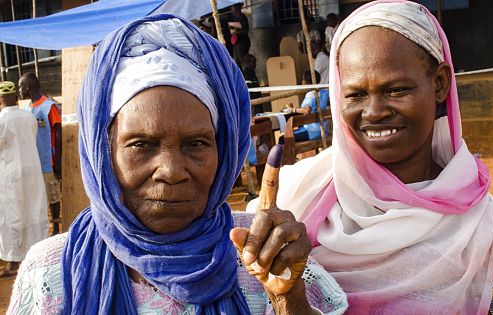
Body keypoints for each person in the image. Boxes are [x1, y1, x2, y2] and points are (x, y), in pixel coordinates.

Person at [7, 15, 347, 315]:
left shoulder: (263, 254)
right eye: (141, 144)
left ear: (223, 152)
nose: (170, 171)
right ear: (103, 152)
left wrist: (289, 300)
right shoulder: (52, 272)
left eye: (196, 144)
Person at [248, 1, 493, 313]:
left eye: (396, 90)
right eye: (355, 95)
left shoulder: (481, 228)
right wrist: (288, 296)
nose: (374, 112)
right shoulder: (298, 197)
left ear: (439, 84)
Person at [0, 81, 48, 278]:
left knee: (12, 213)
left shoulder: (2, 119)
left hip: (11, 173)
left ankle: (13, 262)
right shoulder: (28, 116)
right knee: (33, 210)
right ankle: (35, 255)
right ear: (16, 97)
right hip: (32, 169)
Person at [18, 72, 62, 235]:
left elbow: (58, 132)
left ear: (28, 87)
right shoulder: (27, 108)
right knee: (38, 197)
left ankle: (57, 228)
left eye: (20, 86)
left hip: (47, 161)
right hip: (33, 161)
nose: (19, 90)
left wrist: (58, 160)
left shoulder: (48, 106)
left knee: (53, 195)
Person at [283, 70, 329, 143]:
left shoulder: (310, 94)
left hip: (311, 132)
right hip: (323, 130)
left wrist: (292, 109)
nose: (302, 82)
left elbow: (307, 110)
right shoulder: (324, 93)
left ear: (307, 82)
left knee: (283, 139)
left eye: (303, 79)